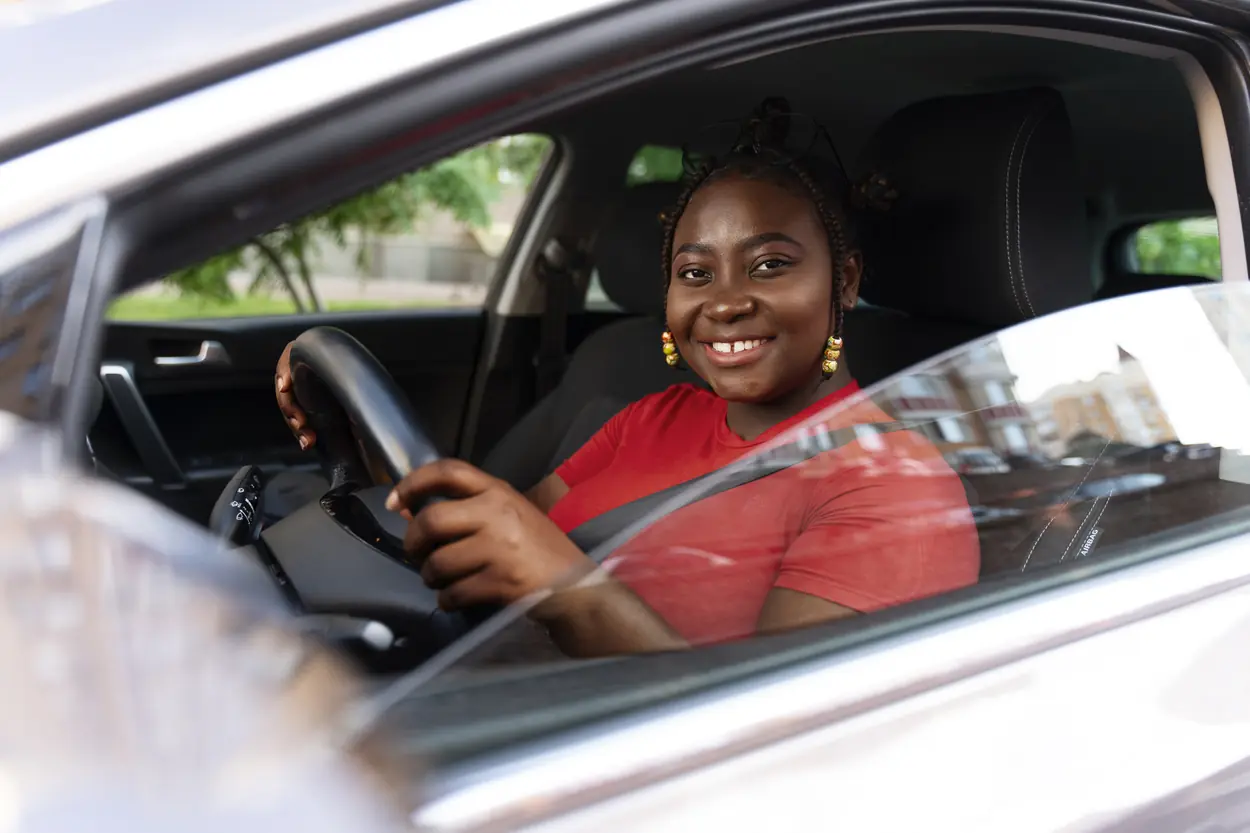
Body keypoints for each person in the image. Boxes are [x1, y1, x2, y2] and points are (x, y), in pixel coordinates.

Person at [273, 99, 980, 658]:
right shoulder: (653, 416)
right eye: (695, 273)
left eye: (769, 265)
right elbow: (493, 547)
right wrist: (351, 433)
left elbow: (770, 742)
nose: (724, 303)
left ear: (845, 279)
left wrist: (576, 593)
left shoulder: (893, 489)